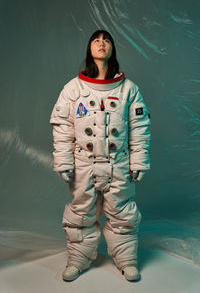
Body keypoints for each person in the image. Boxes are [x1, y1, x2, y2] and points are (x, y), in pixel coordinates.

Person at [49, 30, 151, 282]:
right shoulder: (73, 89)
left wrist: (138, 160)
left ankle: (127, 260)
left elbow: (139, 127)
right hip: (84, 163)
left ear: (112, 48)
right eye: (96, 40)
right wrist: (63, 161)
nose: (101, 44)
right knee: (81, 213)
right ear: (89, 48)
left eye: (106, 40)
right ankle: (77, 260)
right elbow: (62, 127)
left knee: (122, 213)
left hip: (119, 163)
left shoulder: (129, 90)